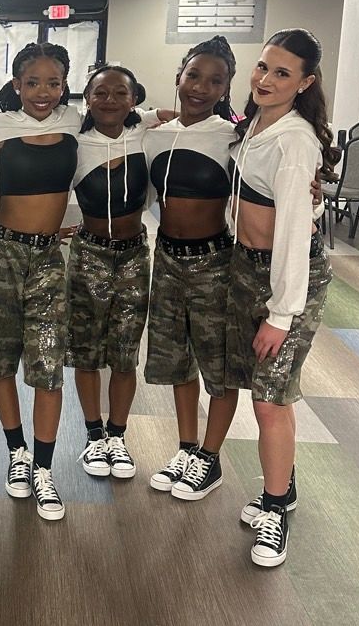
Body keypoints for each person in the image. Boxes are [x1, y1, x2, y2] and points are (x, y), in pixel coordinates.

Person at [227, 28, 334, 567]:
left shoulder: (293, 140)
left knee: (271, 398)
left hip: (287, 280)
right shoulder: (255, 128)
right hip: (248, 270)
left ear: (305, 82)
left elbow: (294, 232)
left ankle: (275, 508)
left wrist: (282, 313)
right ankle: (282, 487)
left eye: (282, 73)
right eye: (263, 67)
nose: (266, 80)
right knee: (261, 390)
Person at [0, 41, 80, 521]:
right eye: (32, 82)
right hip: (0, 254)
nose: (43, 92)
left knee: (48, 365)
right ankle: (17, 452)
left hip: (50, 258)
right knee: (0, 359)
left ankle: (44, 468)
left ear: (64, 85)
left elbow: (143, 125)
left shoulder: (75, 123)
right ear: (15, 84)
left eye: (53, 83)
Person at [142, 36, 240, 500]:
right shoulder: (156, 135)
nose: (201, 87)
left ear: (226, 88)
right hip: (166, 259)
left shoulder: (234, 137)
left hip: (214, 262)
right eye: (194, 76)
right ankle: (187, 447)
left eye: (215, 80)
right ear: (180, 75)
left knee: (216, 363)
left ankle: (211, 457)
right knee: (178, 359)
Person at [68, 64, 164, 479]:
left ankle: (117, 436)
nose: (110, 100)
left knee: (125, 354)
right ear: (87, 99)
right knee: (86, 352)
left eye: (120, 93)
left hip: (133, 255)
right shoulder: (74, 142)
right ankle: (93, 437)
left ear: (134, 99)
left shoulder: (146, 135)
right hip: (87, 253)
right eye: (100, 93)